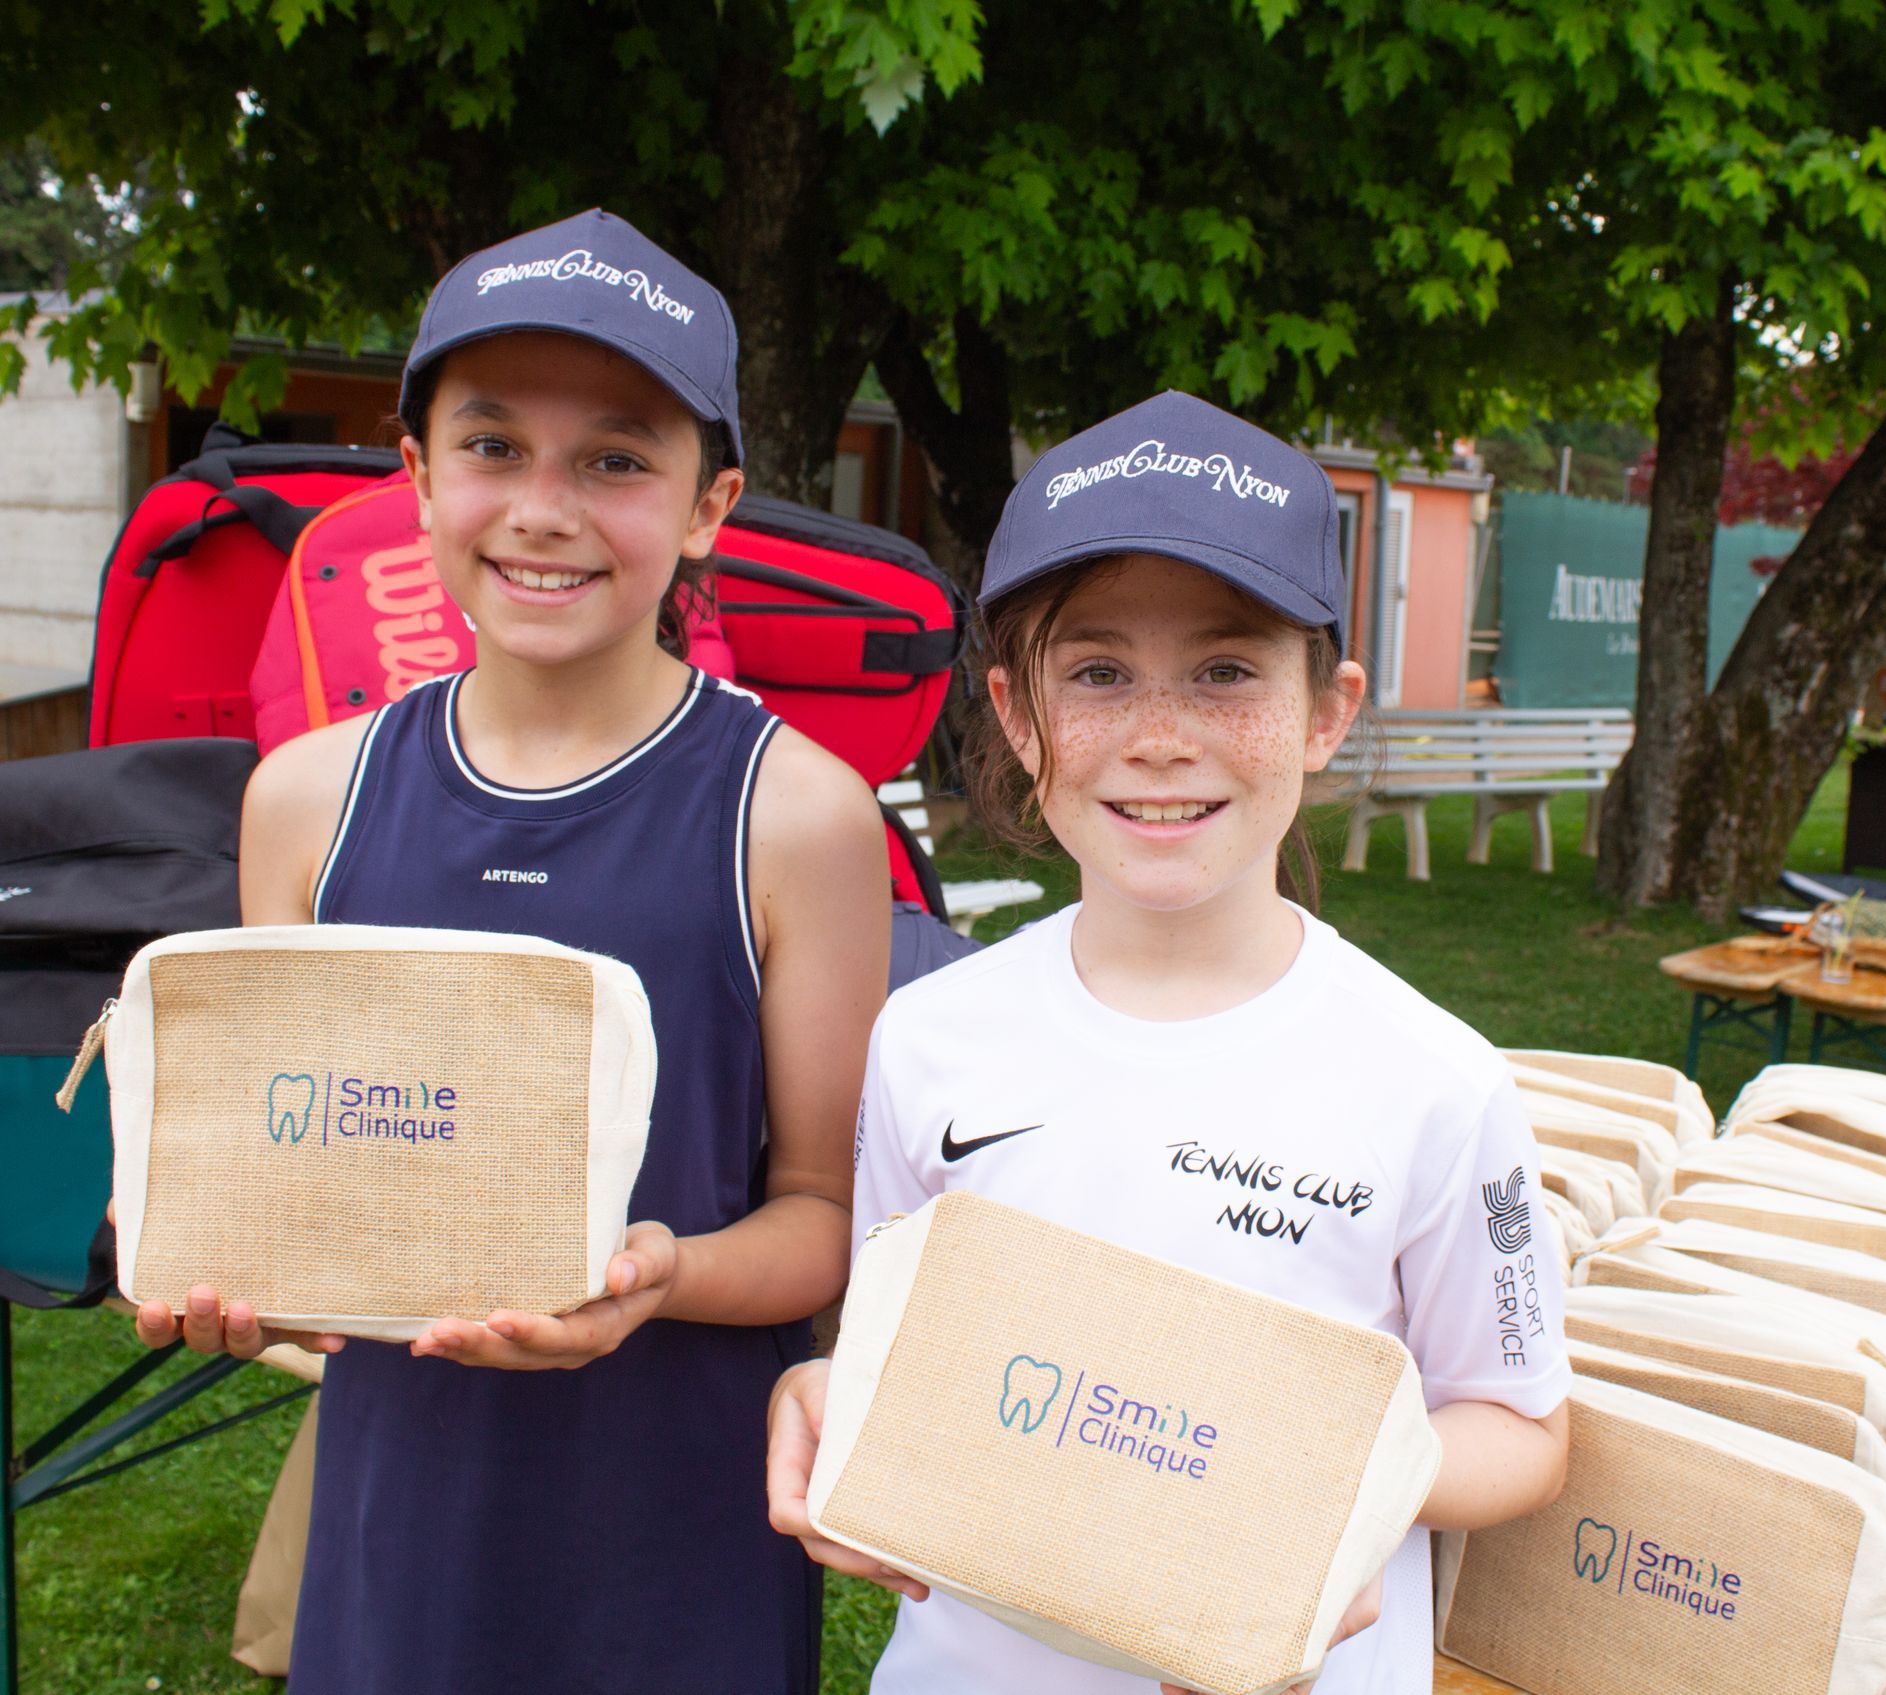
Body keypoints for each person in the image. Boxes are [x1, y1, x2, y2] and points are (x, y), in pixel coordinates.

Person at [131, 208, 891, 1694]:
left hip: (677, 1542)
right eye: (492, 446)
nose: (545, 506)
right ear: (414, 478)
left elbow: (824, 1216)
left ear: (708, 504)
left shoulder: (796, 814)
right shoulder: (306, 801)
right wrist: (238, 1282)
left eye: (616, 458)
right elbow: (295, 1192)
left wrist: (658, 1276)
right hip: (398, 1523)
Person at [766, 391, 1570, 1695]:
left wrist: (1342, 1487)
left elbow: (1522, 1427)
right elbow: (902, 1337)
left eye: (1227, 669)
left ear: (1326, 710)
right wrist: (833, 1392)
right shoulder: (927, 1040)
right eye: (1094, 674)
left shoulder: (1435, 1084)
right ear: (1018, 719)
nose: (1158, 734)